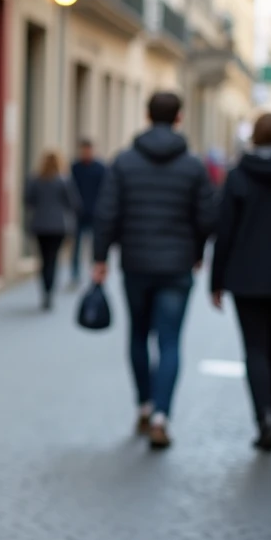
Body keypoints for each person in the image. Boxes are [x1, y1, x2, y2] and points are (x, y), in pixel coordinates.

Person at [93, 92, 215, 450]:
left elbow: (106, 213)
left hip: (136, 263)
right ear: (179, 118)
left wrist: (100, 258)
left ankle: (144, 406)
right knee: (170, 340)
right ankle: (162, 417)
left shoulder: (124, 162)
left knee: (138, 335)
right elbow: (207, 218)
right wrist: (196, 252)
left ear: (147, 116)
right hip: (177, 266)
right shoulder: (193, 166)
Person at [210, 112, 271, 452]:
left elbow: (224, 232)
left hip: (247, 276)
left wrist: (216, 280)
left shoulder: (238, 175)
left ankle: (264, 416)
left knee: (255, 349)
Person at [25, 150, 81, 311]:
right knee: (53, 259)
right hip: (58, 226)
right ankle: (50, 291)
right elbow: (74, 203)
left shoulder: (36, 180)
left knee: (43, 259)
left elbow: (28, 200)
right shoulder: (64, 180)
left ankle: (45, 290)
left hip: (40, 225)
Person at [69, 138, 106, 284]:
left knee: (94, 247)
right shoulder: (75, 168)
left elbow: (105, 190)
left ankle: (93, 274)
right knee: (76, 247)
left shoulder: (100, 168)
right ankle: (75, 274)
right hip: (78, 214)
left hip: (95, 214)